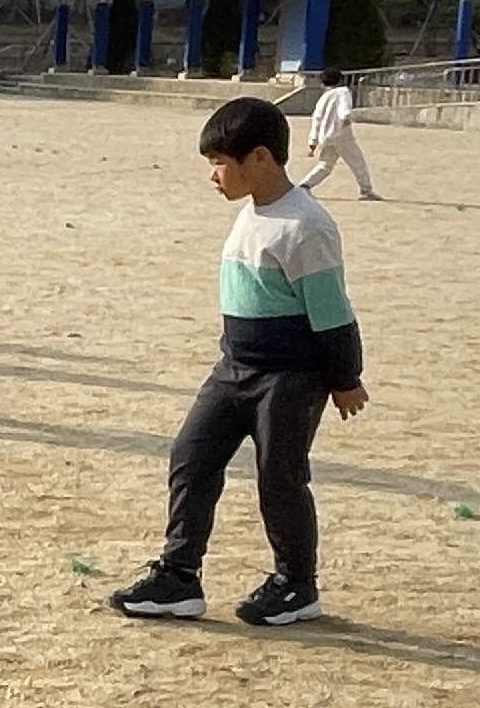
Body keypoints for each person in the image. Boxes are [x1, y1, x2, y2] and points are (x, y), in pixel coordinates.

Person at [110, 98, 368, 628]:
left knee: (280, 477)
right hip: (234, 368)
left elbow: (332, 312)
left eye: (220, 163)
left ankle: (296, 584)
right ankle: (179, 576)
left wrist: (346, 378)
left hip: (290, 376)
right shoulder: (252, 214)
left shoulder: (306, 226)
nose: (213, 176)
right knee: (192, 455)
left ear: (260, 158)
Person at [298, 69, 378, 200]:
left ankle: (304, 185)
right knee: (357, 161)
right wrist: (345, 117)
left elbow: (316, 120)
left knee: (325, 164)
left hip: (325, 137)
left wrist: (312, 142)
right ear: (340, 80)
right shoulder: (343, 92)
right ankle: (366, 190)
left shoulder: (323, 98)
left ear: (322, 83)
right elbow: (344, 108)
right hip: (341, 134)